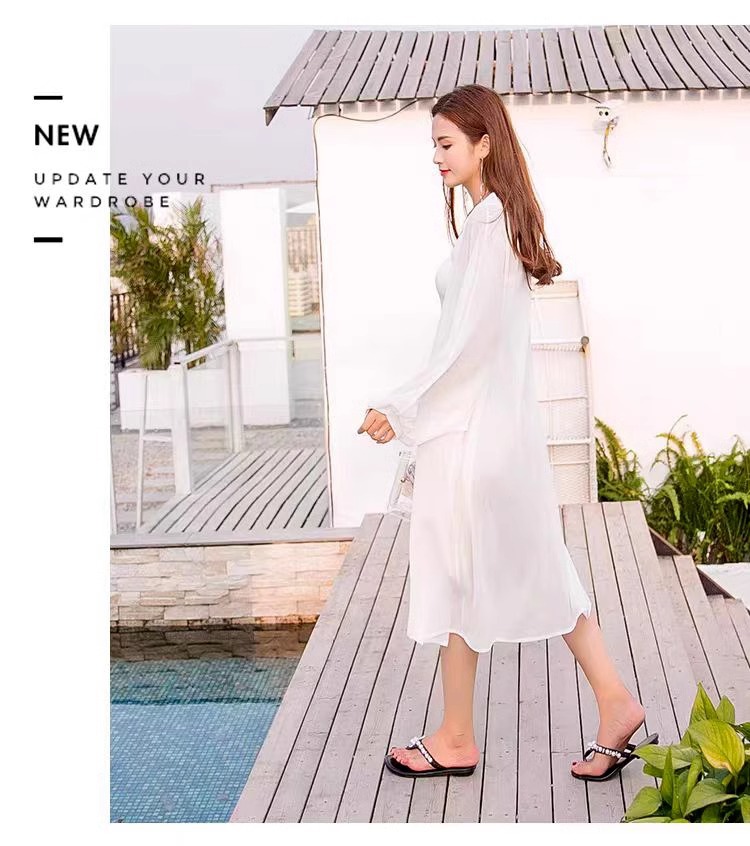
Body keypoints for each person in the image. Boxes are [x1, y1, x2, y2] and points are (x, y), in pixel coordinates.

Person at [356, 85, 655, 782]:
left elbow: (467, 347)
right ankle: (569, 711)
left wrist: (400, 407)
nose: (436, 156)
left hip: (477, 442)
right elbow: (470, 344)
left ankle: (476, 732)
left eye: (446, 143)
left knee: (484, 572)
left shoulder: (490, 229)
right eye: (433, 144)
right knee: (508, 570)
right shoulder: (491, 224)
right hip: (490, 437)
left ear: (483, 142)